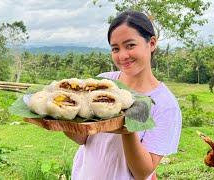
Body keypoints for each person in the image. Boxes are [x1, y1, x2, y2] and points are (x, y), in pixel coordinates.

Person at [64, 10, 182, 180]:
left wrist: (128, 131)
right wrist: (63, 119)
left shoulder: (164, 104)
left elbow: (143, 173)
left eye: (130, 45)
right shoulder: (104, 83)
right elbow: (84, 138)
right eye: (115, 48)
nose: (122, 56)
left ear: (152, 43)